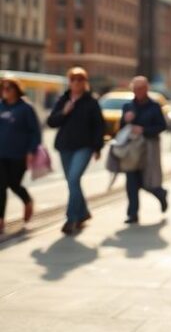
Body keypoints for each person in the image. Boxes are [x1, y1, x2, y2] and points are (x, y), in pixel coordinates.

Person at [46, 67, 105, 235]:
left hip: (84, 147)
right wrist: (64, 112)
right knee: (73, 183)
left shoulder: (91, 102)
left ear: (85, 83)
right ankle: (83, 213)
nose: (76, 83)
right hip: (65, 147)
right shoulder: (63, 99)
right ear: (69, 82)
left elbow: (99, 126)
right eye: (73, 80)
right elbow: (51, 122)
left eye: (80, 80)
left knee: (73, 179)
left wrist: (97, 147)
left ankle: (71, 219)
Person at [120, 76, 168, 224]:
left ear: (146, 89)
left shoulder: (154, 106)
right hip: (131, 150)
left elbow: (161, 126)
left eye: (140, 88)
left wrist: (143, 130)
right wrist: (125, 120)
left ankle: (160, 193)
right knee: (131, 181)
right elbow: (121, 128)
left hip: (149, 148)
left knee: (147, 182)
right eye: (135, 89)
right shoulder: (128, 106)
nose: (138, 91)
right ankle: (132, 214)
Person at [0, 76, 41, 233]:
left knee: (14, 183)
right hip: (1, 154)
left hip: (19, 154)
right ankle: (1, 220)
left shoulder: (26, 108)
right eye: (3, 88)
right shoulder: (1, 106)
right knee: (0, 186)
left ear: (16, 90)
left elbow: (35, 132)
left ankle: (27, 201)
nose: (5, 91)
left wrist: (31, 151)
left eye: (8, 88)